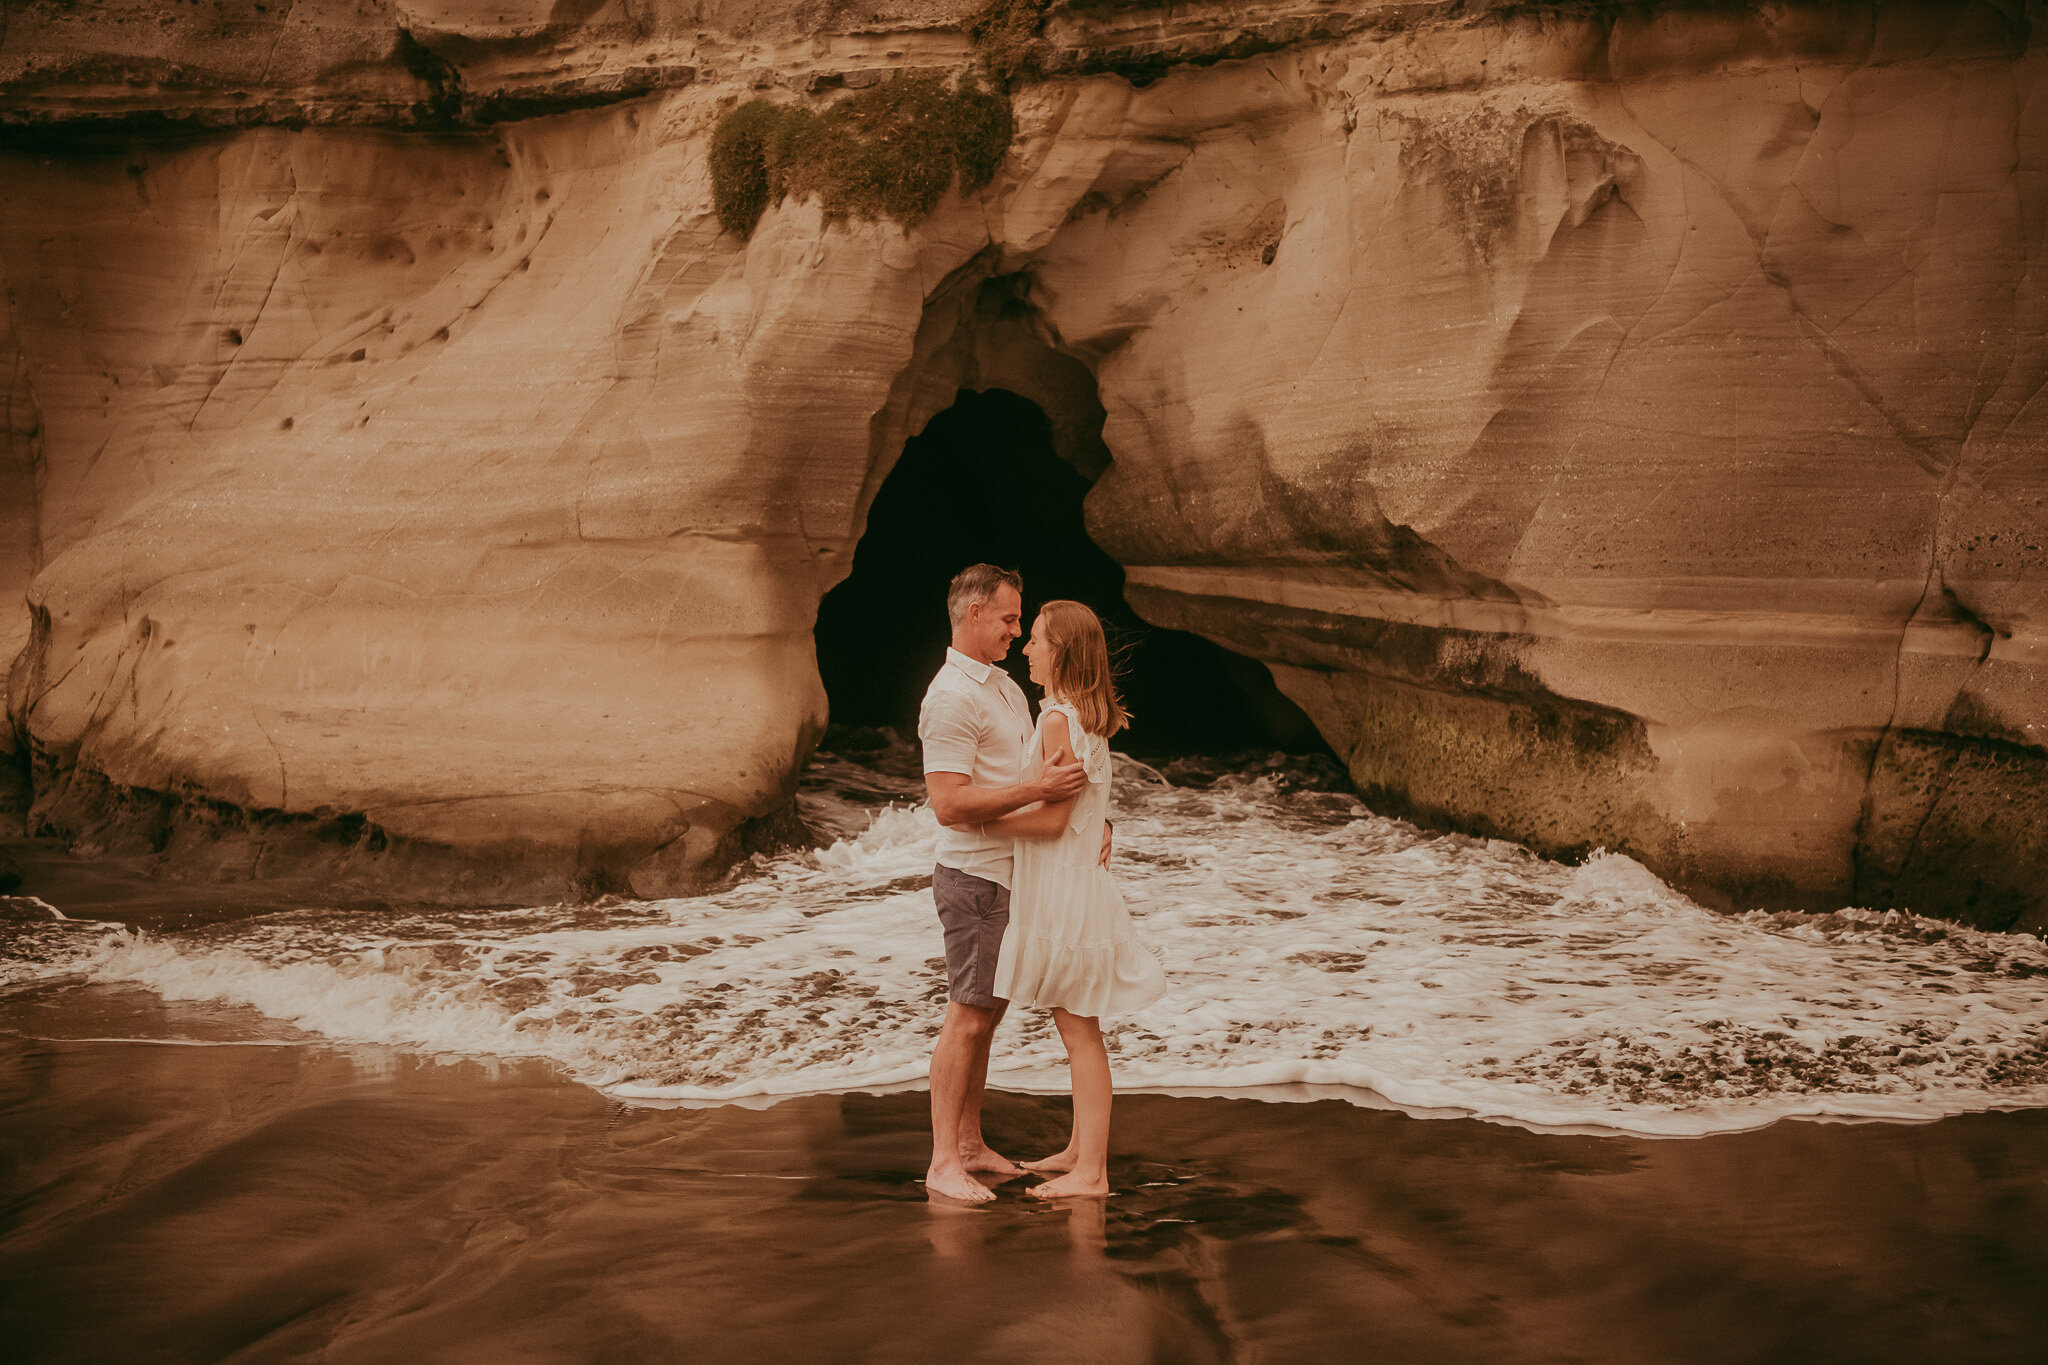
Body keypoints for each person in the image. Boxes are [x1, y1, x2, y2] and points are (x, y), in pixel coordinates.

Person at [918, 564, 1089, 1204]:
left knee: (988, 1015)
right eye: (1010, 618)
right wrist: (1039, 790)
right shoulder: (951, 698)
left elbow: (1046, 777)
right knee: (966, 1016)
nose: (1019, 632)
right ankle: (942, 1163)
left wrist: (1084, 820)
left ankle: (969, 1144)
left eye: (1022, 621)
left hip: (1009, 875)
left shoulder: (1006, 690)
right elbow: (949, 803)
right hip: (974, 877)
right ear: (972, 615)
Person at [986, 599, 1167, 1199]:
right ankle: (1078, 1151)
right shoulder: (1081, 716)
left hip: (1066, 892)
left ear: (1060, 650)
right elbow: (1085, 815)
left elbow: (1052, 823)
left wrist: (978, 824)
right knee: (1079, 1027)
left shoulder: (1060, 719)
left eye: (1036, 639)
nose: (1028, 648)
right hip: (1072, 886)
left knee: (1080, 1033)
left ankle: (1093, 1172)